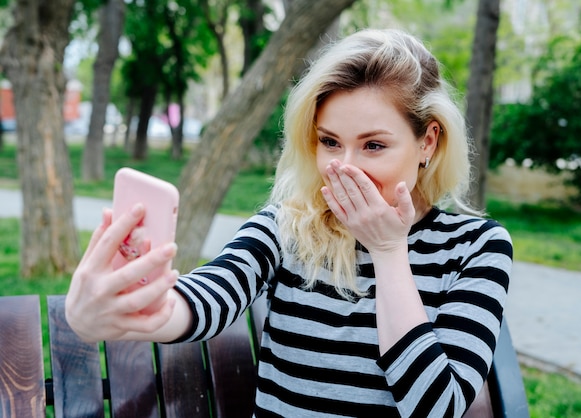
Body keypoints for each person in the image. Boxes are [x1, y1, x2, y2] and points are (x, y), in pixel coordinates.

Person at [66, 28, 513, 417]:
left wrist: (388, 251)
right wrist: (126, 311)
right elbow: (208, 296)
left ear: (427, 142)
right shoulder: (287, 226)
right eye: (329, 142)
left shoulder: (476, 247)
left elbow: (437, 406)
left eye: (374, 145)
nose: (344, 167)